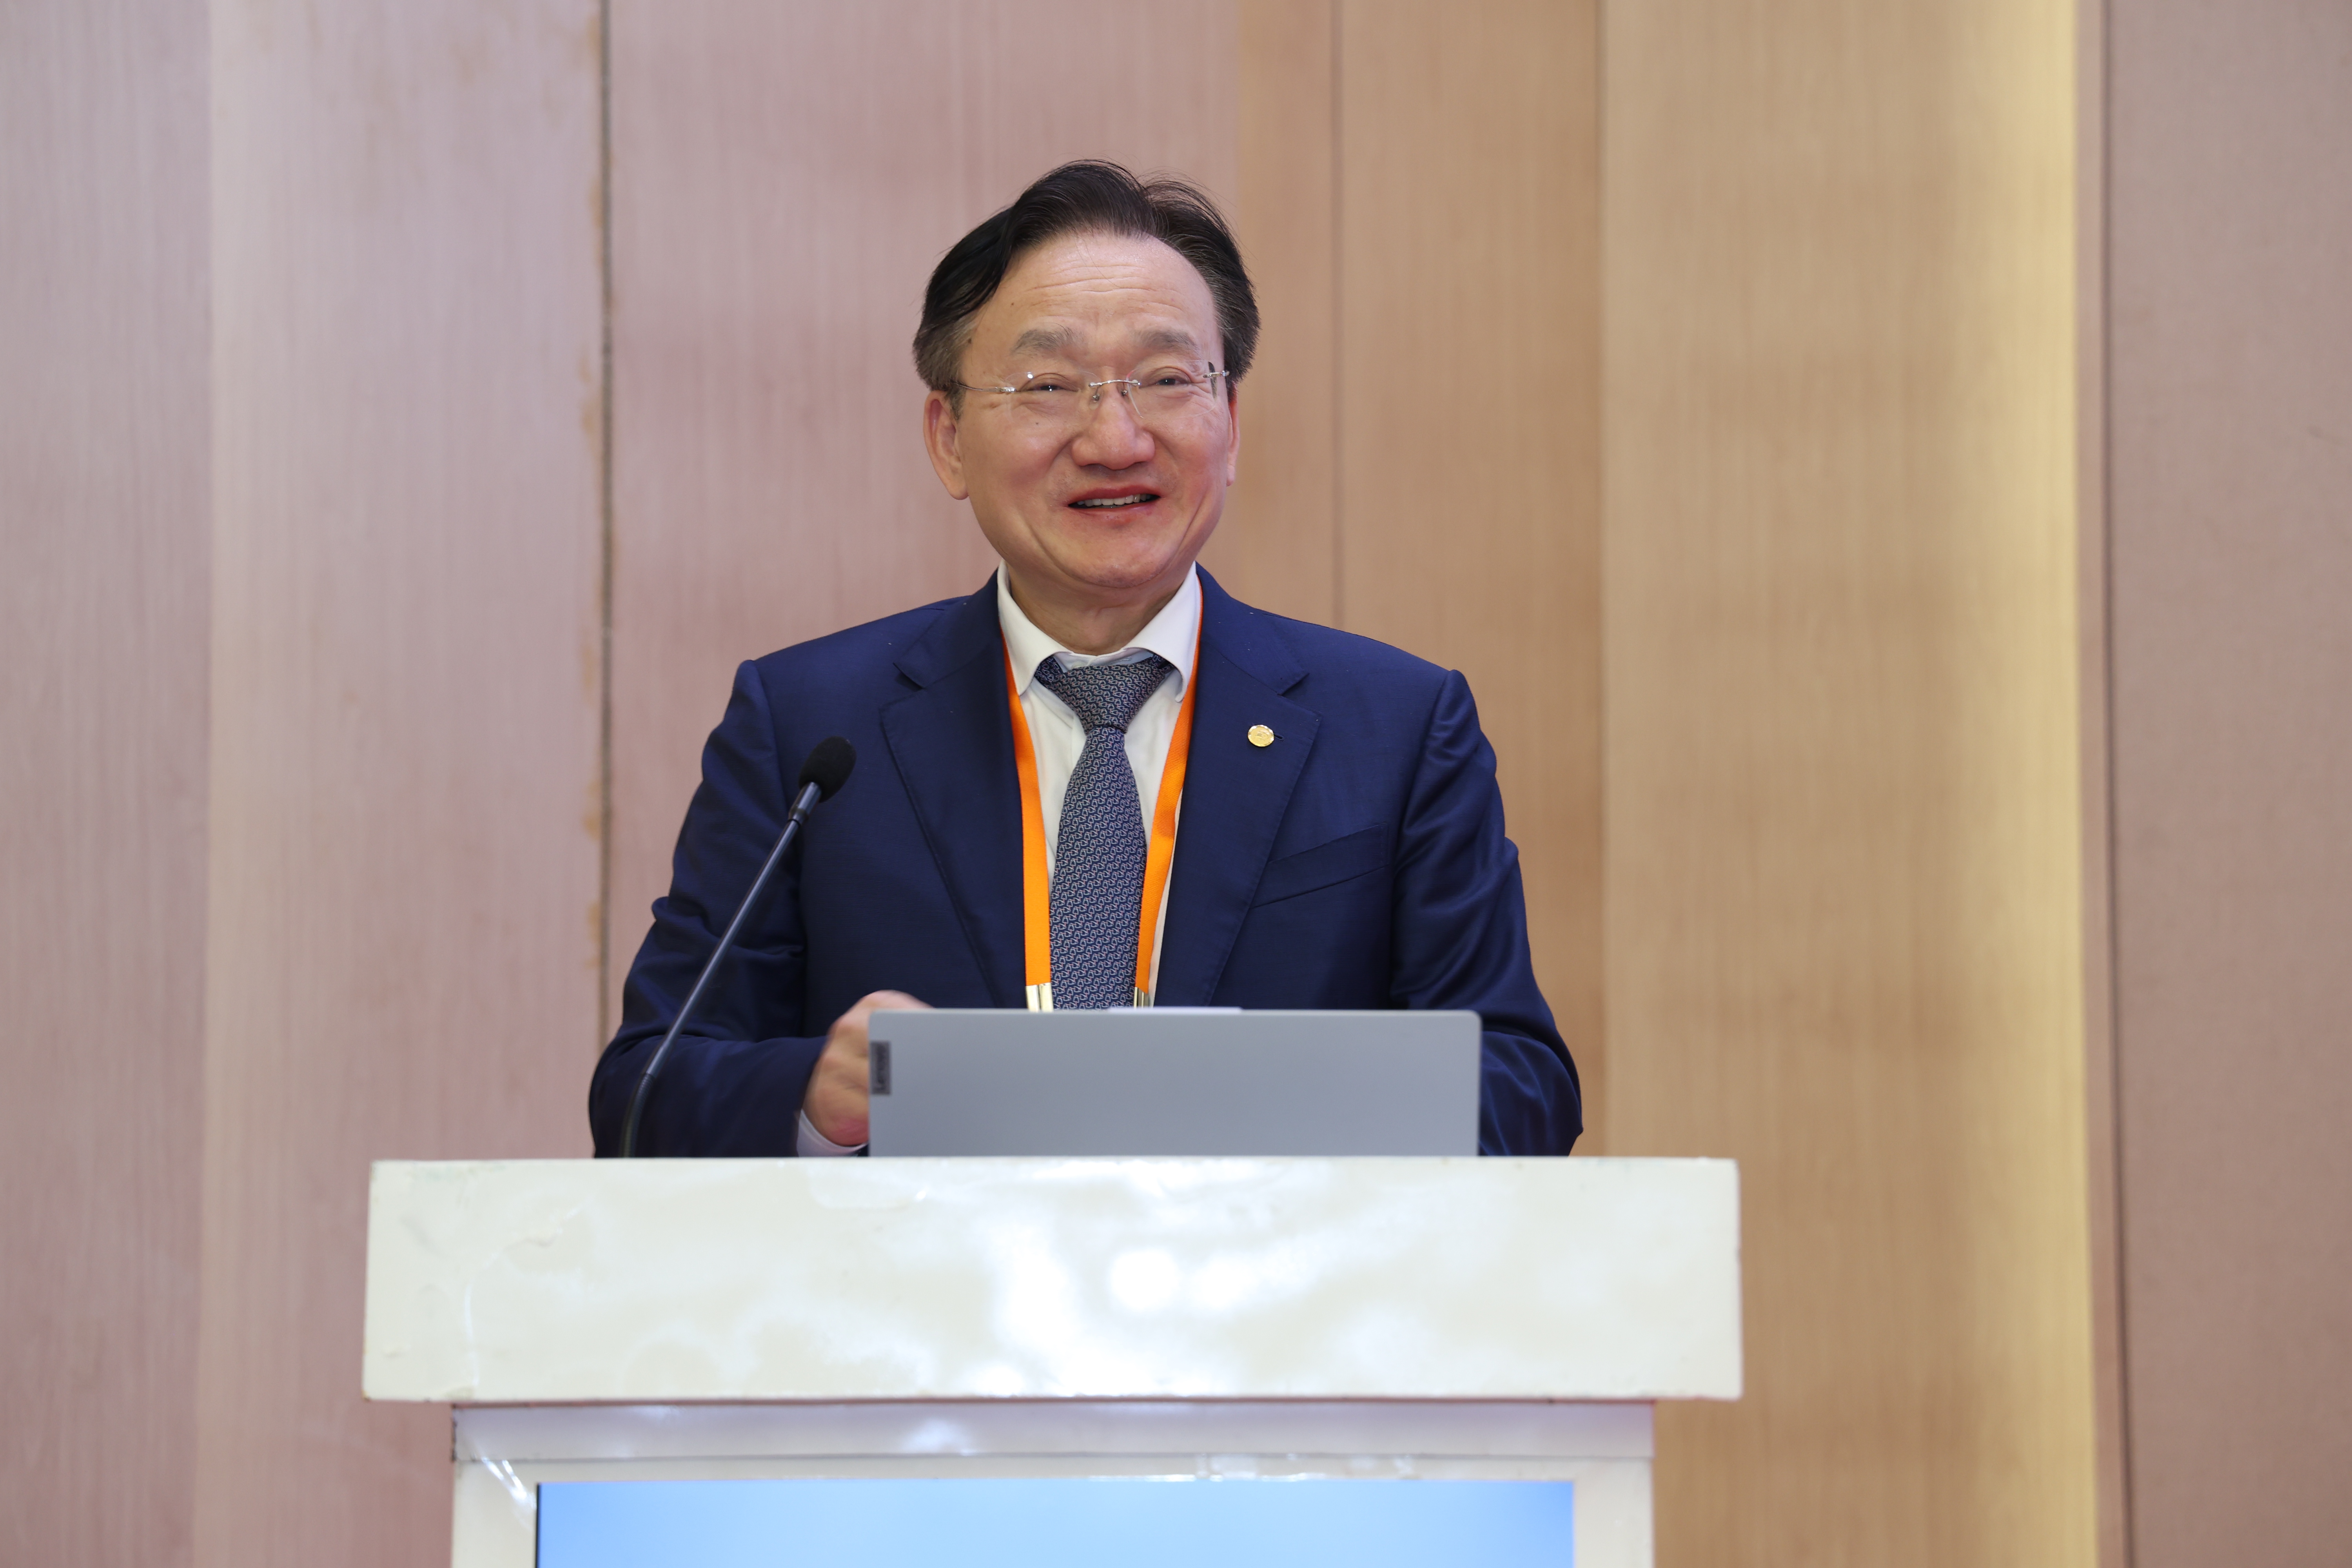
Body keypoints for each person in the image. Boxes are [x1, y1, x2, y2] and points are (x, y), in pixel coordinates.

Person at [588, 161, 1580, 1157]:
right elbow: (642, 1093)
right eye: (1049, 386)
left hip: (1272, 1258)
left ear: (1231, 423)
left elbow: (1522, 1087)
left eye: (1167, 379)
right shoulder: (810, 728)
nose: (1115, 439)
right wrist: (815, 1094)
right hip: (920, 1258)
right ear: (948, 437)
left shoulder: (1397, 728)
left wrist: (1268, 1097)